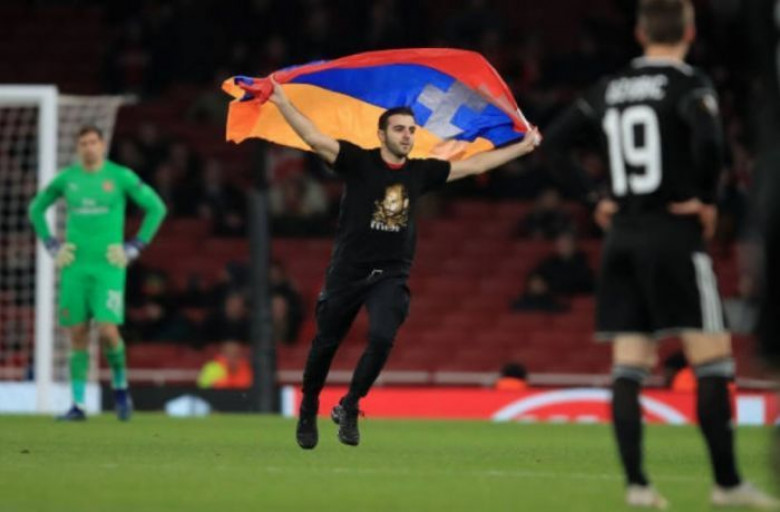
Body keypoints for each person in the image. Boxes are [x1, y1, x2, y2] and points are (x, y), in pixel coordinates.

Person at [543, 0, 777, 508]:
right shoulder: (689, 84)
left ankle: (638, 486)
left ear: (640, 32)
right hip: (674, 232)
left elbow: (554, 145)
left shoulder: (609, 88)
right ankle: (727, 483)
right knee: (712, 360)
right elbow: (710, 141)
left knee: (629, 365)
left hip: (622, 237)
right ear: (689, 32)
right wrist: (707, 199)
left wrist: (594, 198)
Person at [267, 77, 541, 449]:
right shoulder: (358, 162)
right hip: (349, 270)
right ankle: (308, 406)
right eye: (399, 129)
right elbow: (315, 138)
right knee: (325, 344)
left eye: (411, 130)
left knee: (383, 337)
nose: (407, 136)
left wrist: (522, 147)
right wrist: (282, 102)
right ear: (381, 135)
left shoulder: (420, 172)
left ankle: (350, 405)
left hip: (391, 273)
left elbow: (474, 166)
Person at [28, 126, 167, 421]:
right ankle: (78, 405)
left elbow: (156, 208)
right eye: (83, 143)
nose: (89, 147)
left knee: (107, 330)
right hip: (75, 266)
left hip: (108, 266)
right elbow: (36, 209)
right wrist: (52, 245)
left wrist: (135, 246)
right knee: (77, 334)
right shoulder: (68, 179)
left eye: (93, 142)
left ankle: (120, 387)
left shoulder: (120, 176)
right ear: (78, 148)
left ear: (103, 145)